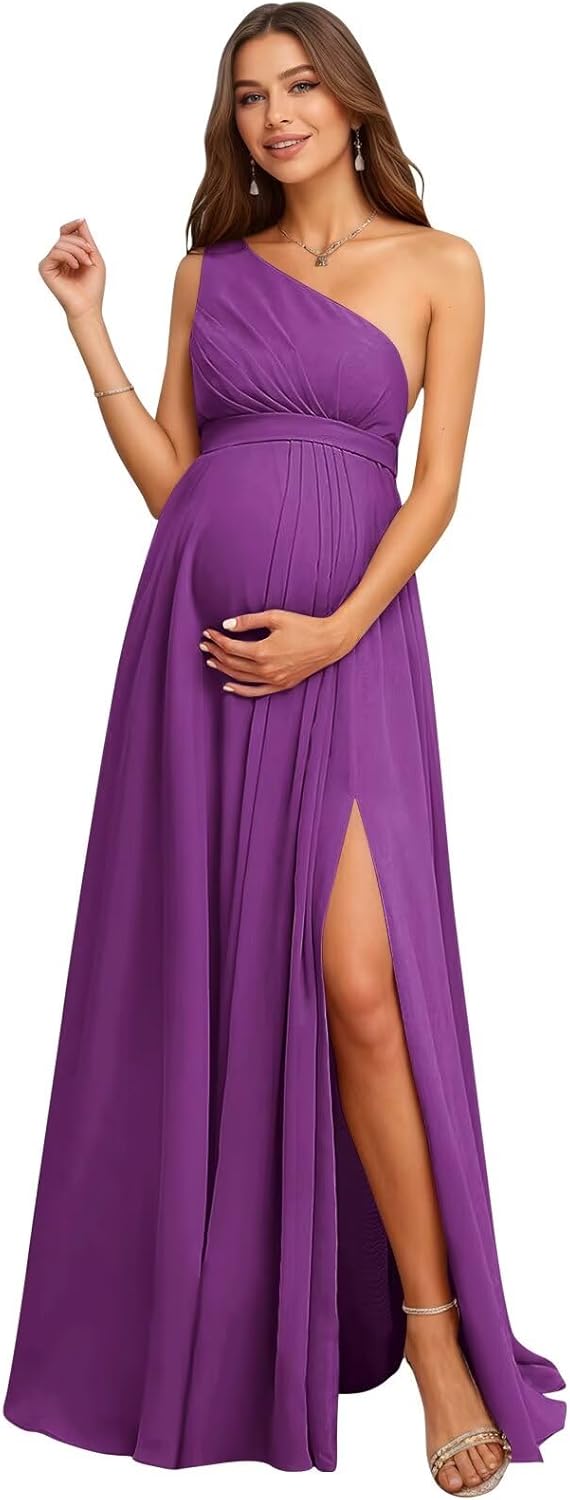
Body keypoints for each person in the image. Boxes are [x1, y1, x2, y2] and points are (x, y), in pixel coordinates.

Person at [3, 3, 566, 1491]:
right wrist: (87, 328)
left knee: (364, 990)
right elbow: (173, 483)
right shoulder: (210, 271)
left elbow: (435, 490)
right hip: (198, 659)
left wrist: (338, 630)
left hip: (353, 649)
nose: (276, 115)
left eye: (300, 85)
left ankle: (438, 1340)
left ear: (353, 102)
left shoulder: (442, 265)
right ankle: (230, 1325)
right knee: (211, 981)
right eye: (249, 96)